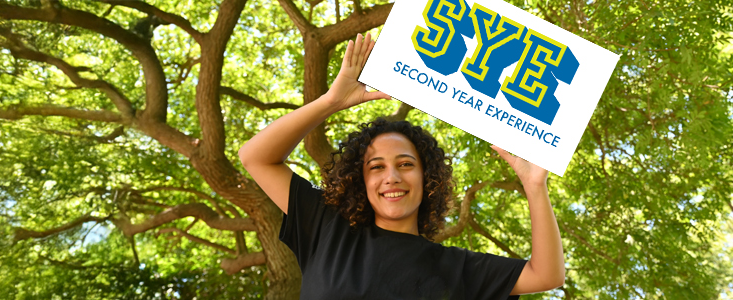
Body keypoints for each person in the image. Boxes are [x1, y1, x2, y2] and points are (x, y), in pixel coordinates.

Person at [238, 33, 565, 299]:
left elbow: (546, 275)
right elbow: (255, 157)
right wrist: (331, 102)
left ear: (428, 179)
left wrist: (534, 185)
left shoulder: (455, 267)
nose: (391, 177)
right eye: (376, 167)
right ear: (360, 181)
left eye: (406, 164)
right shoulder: (327, 229)